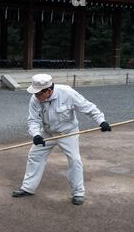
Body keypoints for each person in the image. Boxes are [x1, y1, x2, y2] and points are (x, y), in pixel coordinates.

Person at [13, 74, 112, 205]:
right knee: (34, 155)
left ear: (48, 90)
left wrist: (101, 121)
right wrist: (36, 135)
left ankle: (78, 193)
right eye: (35, 93)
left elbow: (88, 107)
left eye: (38, 93)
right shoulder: (35, 99)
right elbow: (33, 120)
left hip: (68, 133)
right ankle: (28, 188)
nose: (36, 96)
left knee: (75, 160)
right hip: (47, 133)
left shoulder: (67, 93)